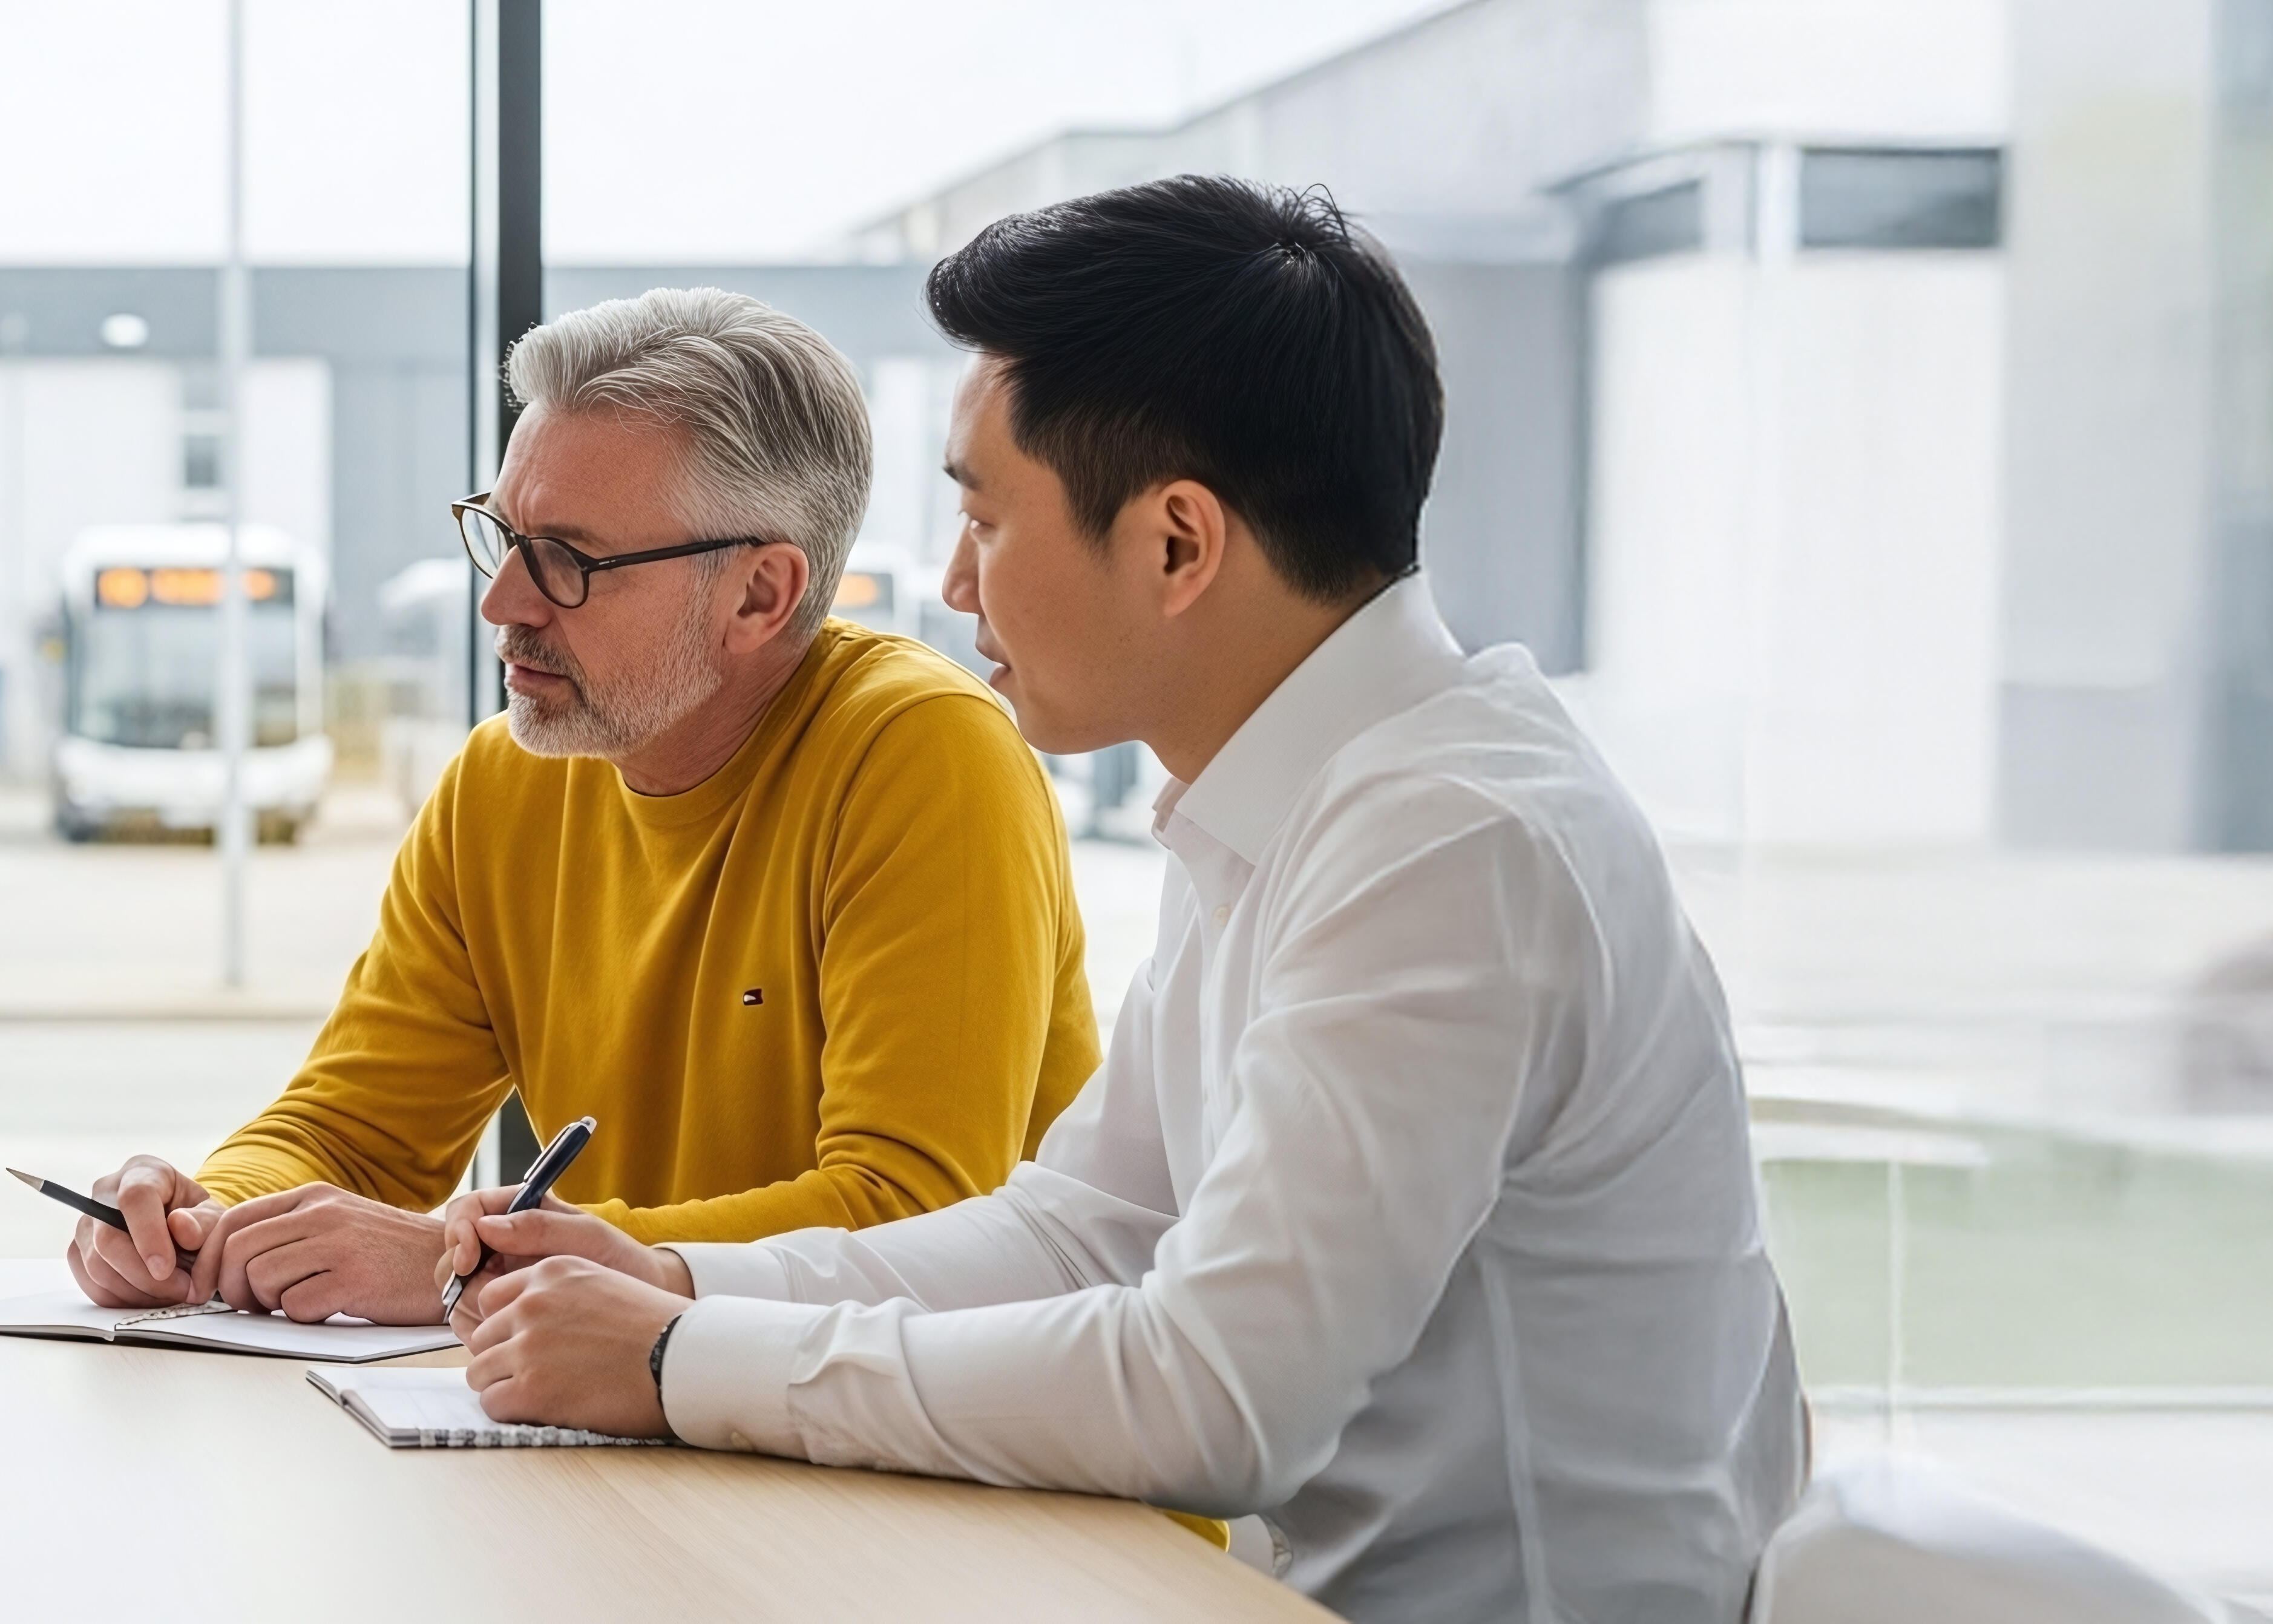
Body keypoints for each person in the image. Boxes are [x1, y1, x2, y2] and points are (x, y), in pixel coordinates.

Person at [442, 178, 1802, 1622]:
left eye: (984, 519)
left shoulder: (1448, 840)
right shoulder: (1311, 805)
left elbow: (1218, 1397)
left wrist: (668, 1362)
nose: (955, 584)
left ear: (1175, 544)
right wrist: (673, 1279)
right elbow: (1082, 1226)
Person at [55, 289, 1097, 1326]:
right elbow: (351, 1132)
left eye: (567, 558)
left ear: (760, 597)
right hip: (684, 1425)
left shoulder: (923, 752)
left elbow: (912, 1217)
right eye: (502, 535)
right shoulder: (505, 779)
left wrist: (463, 1269)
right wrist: (204, 1218)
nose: (502, 601)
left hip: (981, 1462)